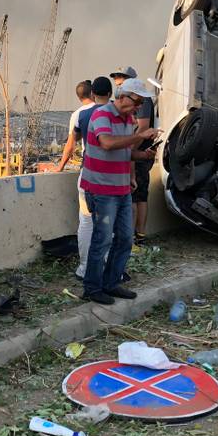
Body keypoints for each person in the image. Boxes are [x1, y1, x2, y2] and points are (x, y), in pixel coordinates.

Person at [81, 78, 160, 304]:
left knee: (125, 238)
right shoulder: (102, 115)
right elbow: (107, 143)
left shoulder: (128, 120)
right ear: (123, 96)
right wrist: (140, 136)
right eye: (137, 102)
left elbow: (122, 150)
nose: (138, 107)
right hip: (101, 189)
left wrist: (142, 155)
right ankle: (92, 288)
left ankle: (111, 282)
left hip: (121, 188)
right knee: (102, 240)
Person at [69, 77, 113, 279]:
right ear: (111, 94)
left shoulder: (82, 115)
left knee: (86, 222)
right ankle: (109, 268)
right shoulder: (119, 114)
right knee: (108, 224)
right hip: (112, 176)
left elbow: (72, 142)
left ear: (92, 94)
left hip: (88, 175)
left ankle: (85, 269)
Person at [110, 66, 156, 244]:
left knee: (137, 196)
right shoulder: (114, 110)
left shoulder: (139, 100)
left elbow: (143, 127)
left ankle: (137, 237)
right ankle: (136, 237)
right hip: (137, 153)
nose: (118, 82)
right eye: (116, 78)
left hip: (138, 155)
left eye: (122, 78)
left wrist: (131, 152)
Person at [54, 80, 94, 172]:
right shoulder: (103, 109)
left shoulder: (77, 114)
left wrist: (60, 167)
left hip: (89, 162)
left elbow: (71, 144)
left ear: (79, 97)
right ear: (92, 93)